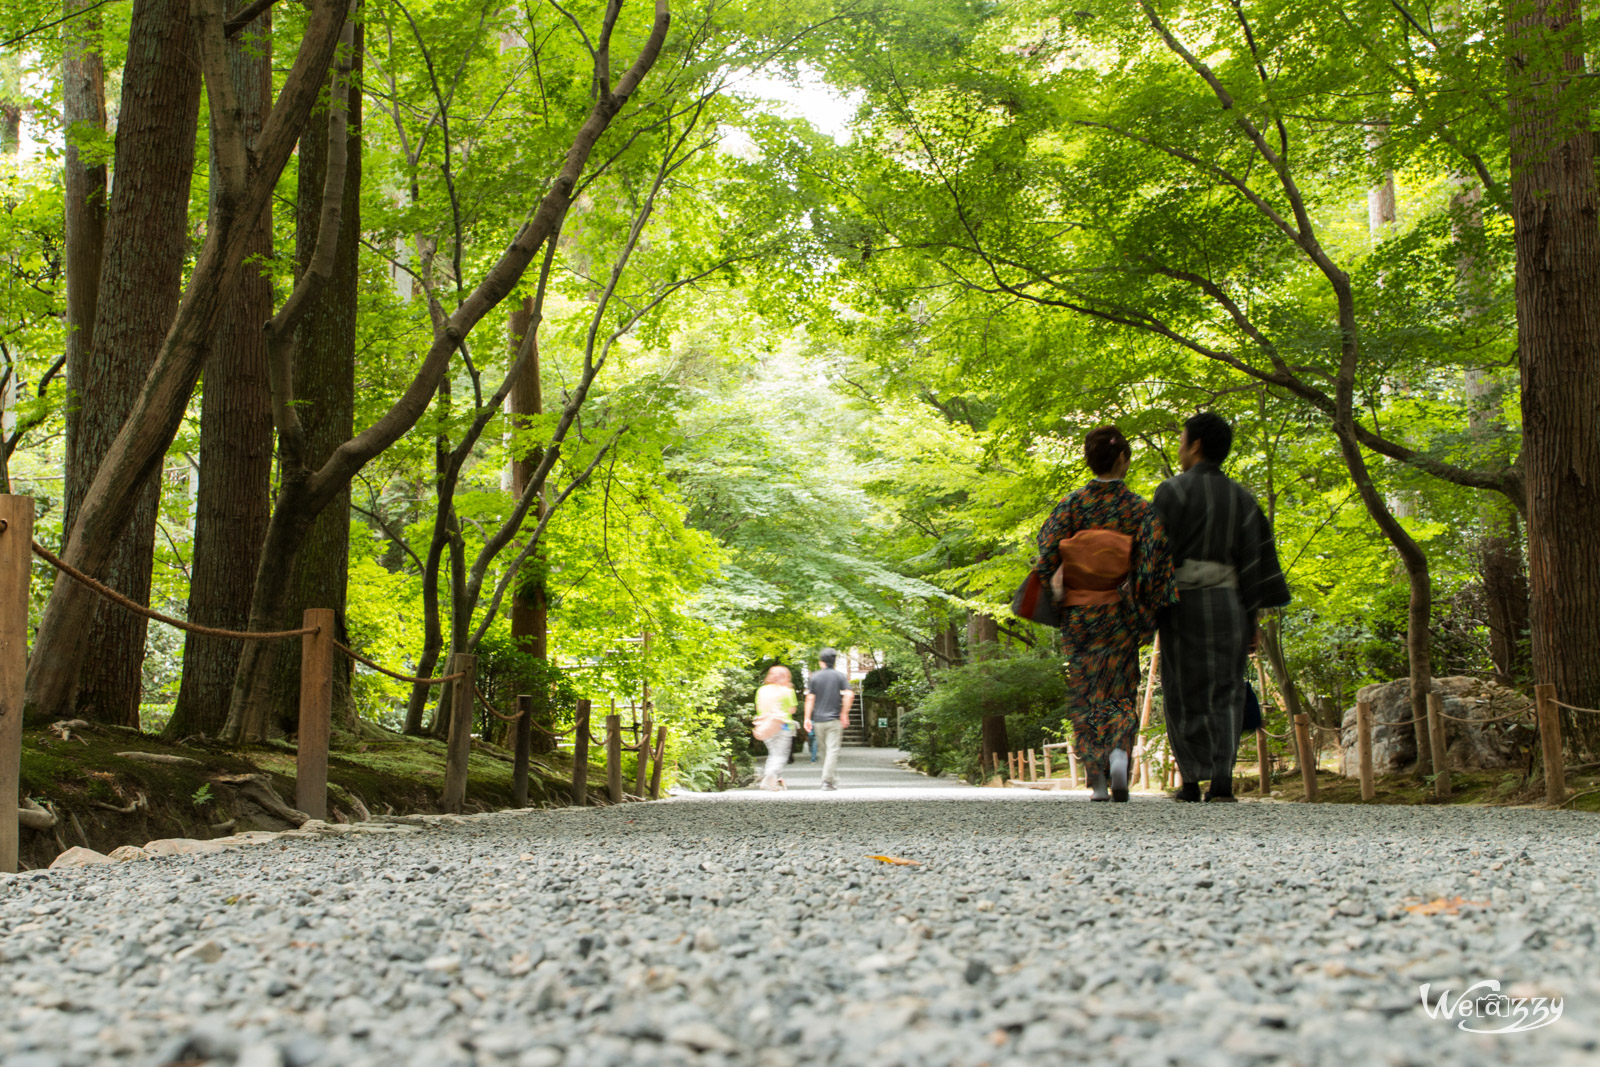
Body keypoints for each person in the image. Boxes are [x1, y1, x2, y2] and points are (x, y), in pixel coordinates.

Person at [1151, 412, 1291, 802]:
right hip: (1230, 604)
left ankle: (1191, 780)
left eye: (1182, 440)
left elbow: (1153, 557)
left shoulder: (1171, 493)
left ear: (1195, 445)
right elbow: (1253, 564)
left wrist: (1150, 608)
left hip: (1182, 605)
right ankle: (1222, 781)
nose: (1180, 447)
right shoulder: (1241, 498)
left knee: (1182, 688)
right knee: (1226, 687)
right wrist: (1252, 620)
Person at [1036, 425, 1174, 802]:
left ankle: (1096, 776)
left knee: (1086, 690)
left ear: (1089, 461)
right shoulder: (1140, 509)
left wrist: (1059, 588)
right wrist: (1145, 613)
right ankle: (1118, 754)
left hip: (1080, 613)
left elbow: (1047, 554)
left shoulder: (1071, 505)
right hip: (1120, 612)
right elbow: (1153, 566)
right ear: (1124, 460)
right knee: (1119, 688)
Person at [803, 648, 853, 791]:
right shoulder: (840, 676)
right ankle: (827, 780)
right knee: (832, 750)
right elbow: (849, 694)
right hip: (833, 720)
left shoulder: (815, 677)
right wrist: (844, 713)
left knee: (824, 751)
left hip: (818, 720)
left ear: (821, 662)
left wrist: (807, 718)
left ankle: (830, 779)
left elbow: (810, 698)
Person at [753, 665, 797, 791]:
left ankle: (775, 779)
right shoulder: (787, 691)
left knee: (773, 753)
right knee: (780, 756)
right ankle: (769, 776)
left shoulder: (762, 690)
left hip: (765, 726)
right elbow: (792, 709)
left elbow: (758, 708)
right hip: (782, 725)